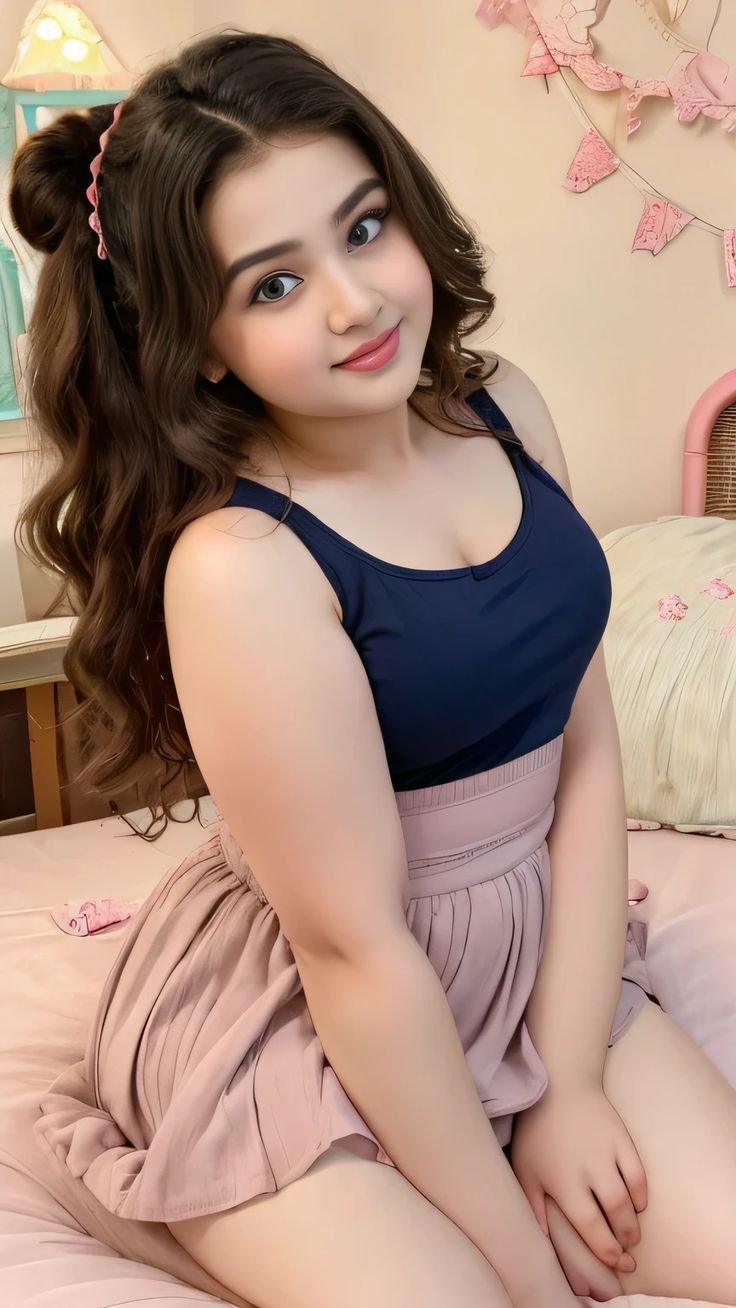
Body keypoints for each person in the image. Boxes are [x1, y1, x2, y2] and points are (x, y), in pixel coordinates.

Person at [9, 28, 736, 1308]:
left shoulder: (505, 410)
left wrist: (566, 1084)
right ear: (202, 342)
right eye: (272, 286)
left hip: (540, 958)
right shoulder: (242, 564)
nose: (354, 303)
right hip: (316, 1014)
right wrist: (521, 1267)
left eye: (362, 227)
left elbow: (583, 751)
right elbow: (354, 954)